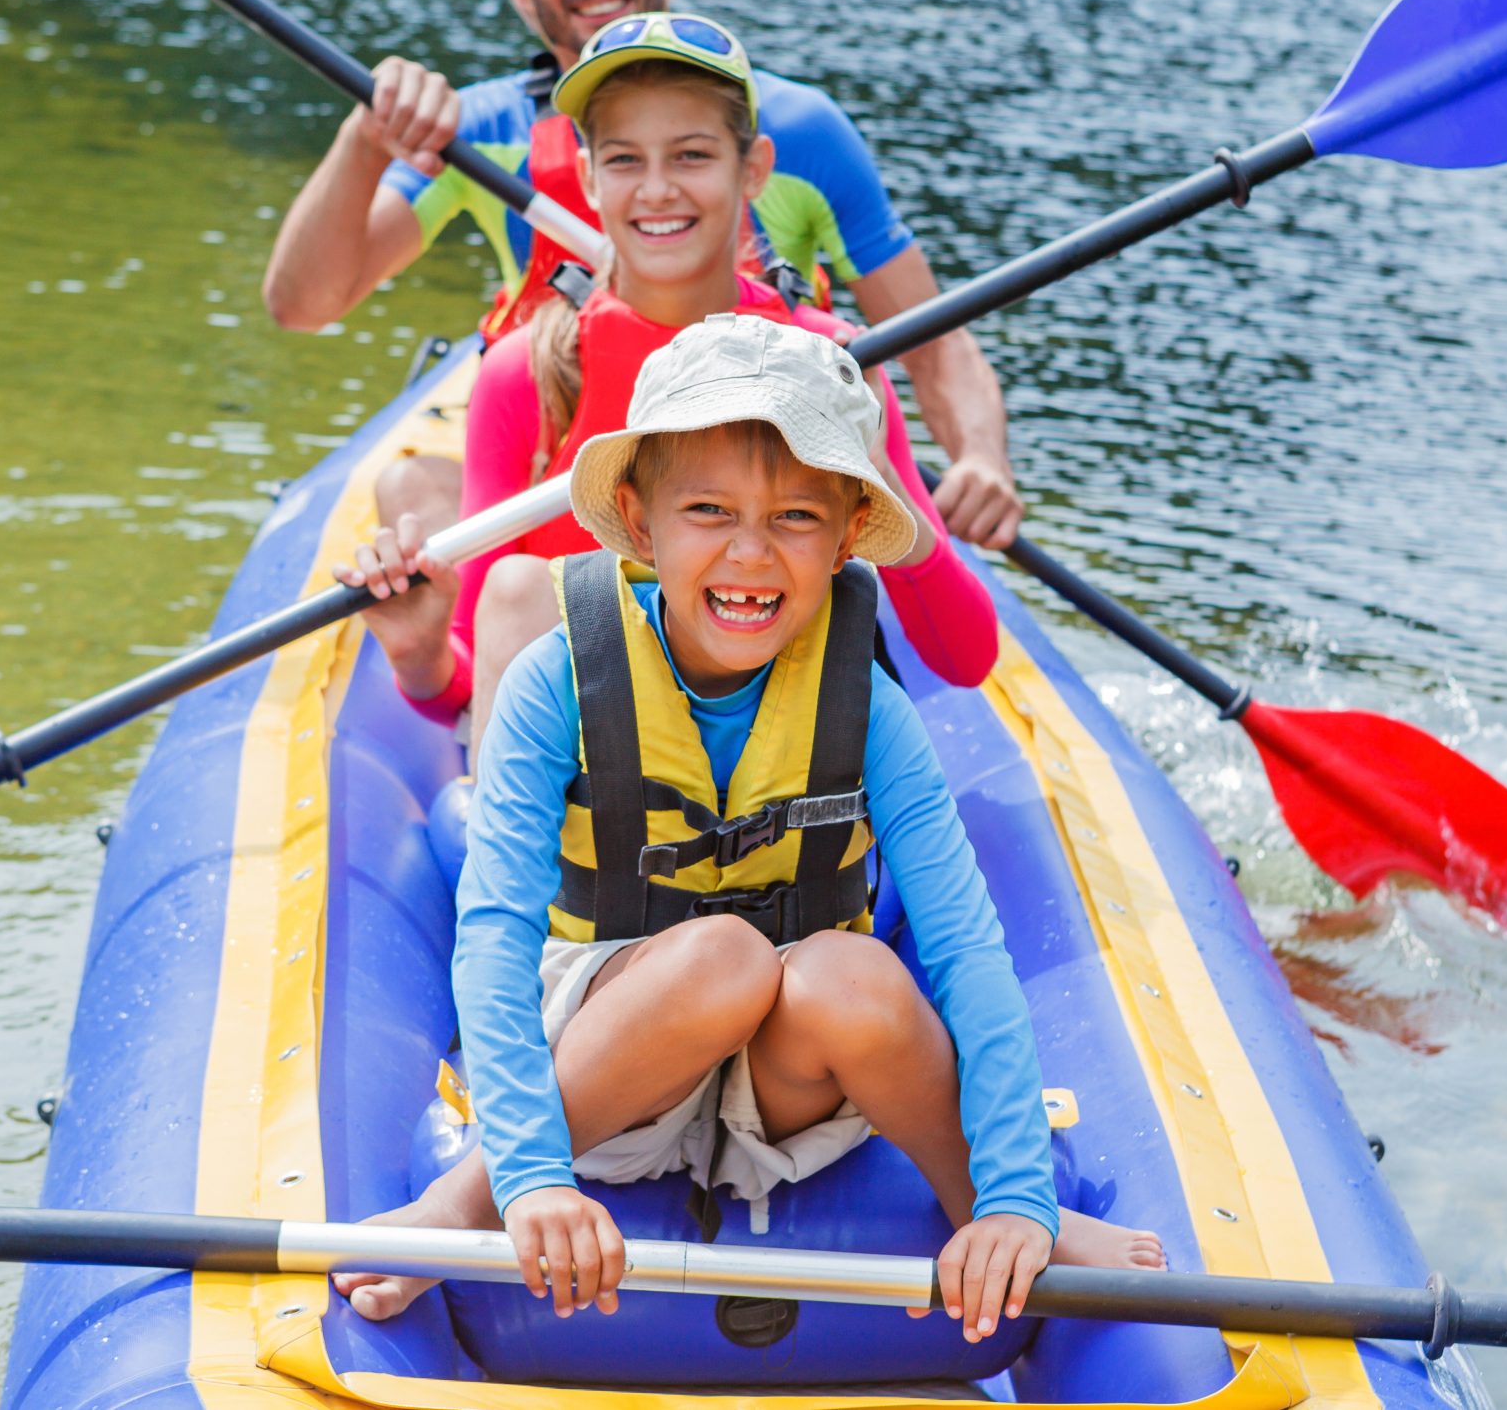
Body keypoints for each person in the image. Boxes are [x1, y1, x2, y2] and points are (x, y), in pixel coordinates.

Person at [330, 315, 1162, 1340]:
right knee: (723, 956)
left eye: (797, 518)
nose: (750, 554)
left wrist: (1018, 1188)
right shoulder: (559, 678)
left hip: (791, 1090)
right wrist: (537, 1169)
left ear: (850, 533)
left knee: (854, 977)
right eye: (708, 510)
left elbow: (963, 946)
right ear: (639, 524)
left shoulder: (868, 706)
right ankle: (467, 1202)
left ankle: (982, 1209)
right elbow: (495, 929)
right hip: (616, 1050)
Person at [263, 0, 1023, 550]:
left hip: (762, 489)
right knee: (412, 490)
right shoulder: (478, 128)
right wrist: (365, 141)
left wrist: (982, 460)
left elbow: (933, 342)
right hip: (554, 477)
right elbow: (303, 304)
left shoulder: (799, 128)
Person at [338, 13, 997, 745]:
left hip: (780, 786)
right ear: (586, 176)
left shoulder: (830, 365)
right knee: (519, 589)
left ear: (753, 168)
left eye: (691, 155)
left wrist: (892, 505)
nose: (657, 189)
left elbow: (965, 658)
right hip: (595, 799)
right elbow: (465, 680)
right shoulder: (523, 372)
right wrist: (420, 652)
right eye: (623, 159)